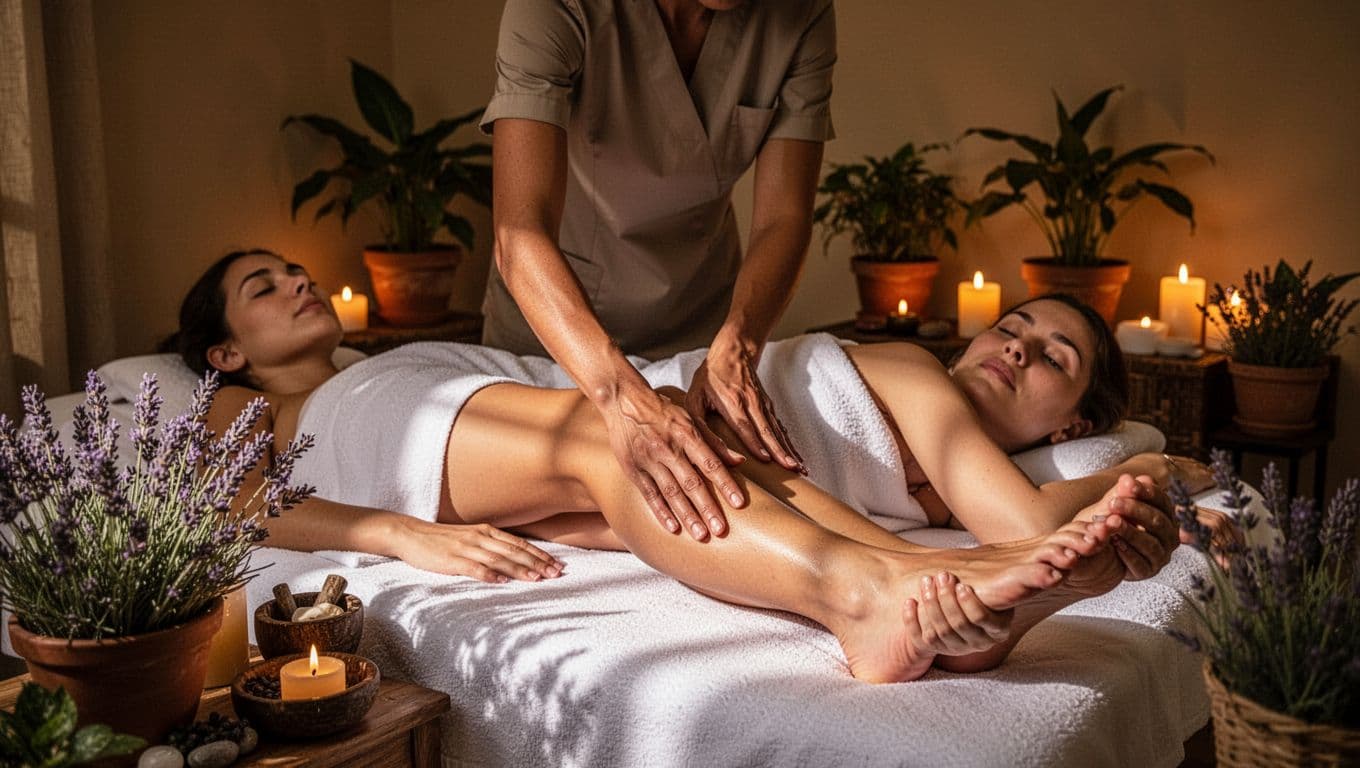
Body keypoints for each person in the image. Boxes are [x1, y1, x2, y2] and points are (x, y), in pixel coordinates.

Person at [174, 250, 1189, 683]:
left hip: (439, 421)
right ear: (223, 351)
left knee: (685, 478)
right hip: (384, 429)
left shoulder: (370, 357)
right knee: (607, 440)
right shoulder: (260, 398)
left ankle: (928, 593)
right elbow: (227, 504)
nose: (298, 281)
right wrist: (394, 534)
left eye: (297, 271)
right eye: (264, 286)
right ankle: (863, 601)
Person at [480, 0, 836, 544]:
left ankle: (892, 570)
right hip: (556, 335)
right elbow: (518, 232)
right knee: (588, 500)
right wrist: (621, 397)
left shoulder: (800, 12)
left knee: (733, 492)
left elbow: (784, 218)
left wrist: (738, 342)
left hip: (704, 331)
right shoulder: (557, 7)